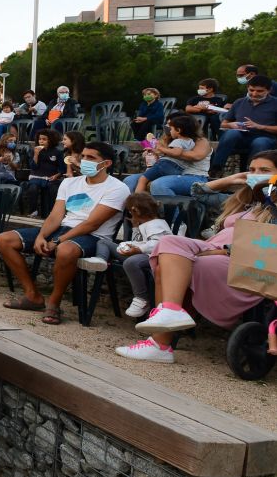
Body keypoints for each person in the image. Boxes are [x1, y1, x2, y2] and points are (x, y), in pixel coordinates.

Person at [115, 152, 277, 362]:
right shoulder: (246, 201)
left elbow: (265, 249)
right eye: (253, 170)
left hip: (242, 261)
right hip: (210, 249)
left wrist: (216, 251)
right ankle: (170, 312)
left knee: (170, 263)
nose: (256, 175)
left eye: (265, 171)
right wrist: (232, 179)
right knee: (168, 243)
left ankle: (160, 344)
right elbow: (198, 192)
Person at [0, 142, 129, 325]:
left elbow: (92, 224)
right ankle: (32, 295)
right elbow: (55, 216)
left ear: (106, 164)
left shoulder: (117, 188)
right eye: (83, 156)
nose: (84, 161)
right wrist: (42, 236)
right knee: (4, 240)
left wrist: (58, 241)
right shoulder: (69, 182)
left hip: (95, 237)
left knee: (66, 250)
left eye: (91, 158)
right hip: (63, 230)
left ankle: (54, 303)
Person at [96, 193, 173, 319]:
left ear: (134, 210)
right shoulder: (143, 223)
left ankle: (142, 298)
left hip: (152, 257)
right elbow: (138, 239)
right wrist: (135, 228)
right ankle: (100, 260)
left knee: (131, 262)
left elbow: (158, 244)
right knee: (103, 242)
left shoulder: (157, 224)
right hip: (137, 254)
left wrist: (138, 249)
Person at [209, 75, 277, 176]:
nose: (254, 94)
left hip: (266, 137)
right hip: (241, 137)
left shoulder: (275, 103)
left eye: (259, 91)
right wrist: (231, 125)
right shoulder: (239, 102)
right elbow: (224, 123)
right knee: (231, 133)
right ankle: (216, 168)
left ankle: (252, 172)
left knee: (260, 142)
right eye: (251, 90)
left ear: (268, 90)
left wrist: (260, 126)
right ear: (247, 88)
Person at [131, 115, 202, 193]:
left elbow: (176, 152)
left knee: (142, 179)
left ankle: (137, 199)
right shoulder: (191, 142)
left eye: (171, 129)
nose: (169, 131)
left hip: (166, 165)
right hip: (179, 169)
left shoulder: (178, 141)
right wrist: (155, 151)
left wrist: (160, 148)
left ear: (178, 130)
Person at [21, 129, 63, 217]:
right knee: (33, 188)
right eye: (40, 139)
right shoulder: (34, 151)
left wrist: (57, 175)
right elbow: (33, 167)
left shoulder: (57, 152)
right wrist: (36, 154)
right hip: (36, 177)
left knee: (53, 189)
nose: (41, 141)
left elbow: (62, 168)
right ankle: (33, 211)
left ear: (50, 140)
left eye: (44, 139)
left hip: (51, 178)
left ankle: (52, 211)